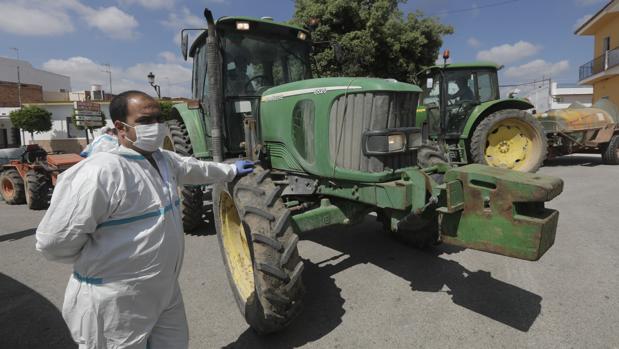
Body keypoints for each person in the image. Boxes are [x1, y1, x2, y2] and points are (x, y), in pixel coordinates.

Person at [35, 90, 254, 349]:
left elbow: (195, 168)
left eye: (158, 119)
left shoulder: (163, 160)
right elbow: (54, 242)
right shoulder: (99, 172)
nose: (156, 126)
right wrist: (104, 263)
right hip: (116, 300)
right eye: (146, 121)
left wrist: (229, 170)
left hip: (165, 290)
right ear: (121, 127)